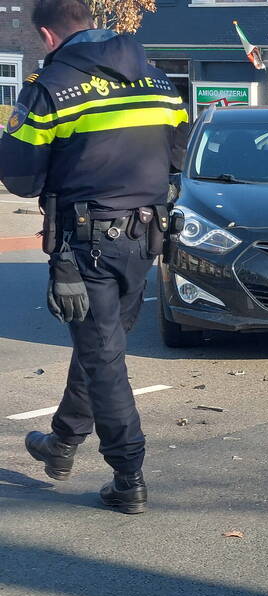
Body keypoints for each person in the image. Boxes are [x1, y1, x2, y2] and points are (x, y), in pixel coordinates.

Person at [0, 0, 188, 514]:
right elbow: (177, 154)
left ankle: (128, 474)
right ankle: (62, 442)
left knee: (104, 355)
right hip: (146, 236)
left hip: (86, 244)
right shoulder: (157, 79)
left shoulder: (50, 88)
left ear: (48, 35)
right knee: (102, 344)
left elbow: (17, 177)